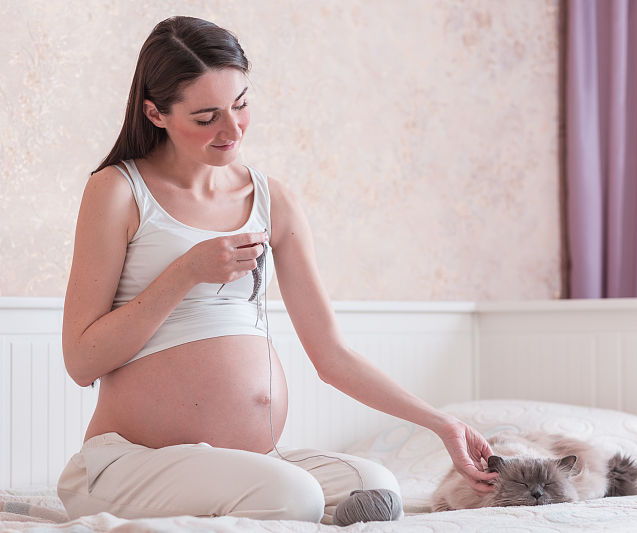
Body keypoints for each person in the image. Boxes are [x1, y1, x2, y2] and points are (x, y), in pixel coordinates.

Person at [58, 15, 497, 525]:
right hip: (130, 464)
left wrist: (442, 424)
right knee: (292, 497)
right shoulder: (118, 190)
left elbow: (332, 355)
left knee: (376, 486)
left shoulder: (271, 199)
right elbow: (81, 361)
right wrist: (185, 272)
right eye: (206, 117)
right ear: (156, 113)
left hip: (250, 466)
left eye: (241, 105)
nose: (232, 129)